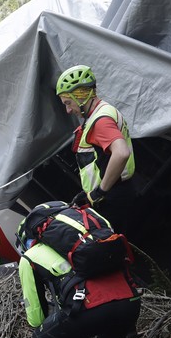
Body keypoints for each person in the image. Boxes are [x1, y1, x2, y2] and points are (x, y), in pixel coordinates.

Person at [16, 201, 140, 338]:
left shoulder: (30, 257)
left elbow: (36, 317)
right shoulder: (87, 238)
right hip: (130, 303)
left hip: (90, 310)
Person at [55, 64, 137, 232]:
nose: (68, 110)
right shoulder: (102, 111)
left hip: (113, 197)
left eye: (69, 102)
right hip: (117, 193)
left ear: (81, 95)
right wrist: (88, 194)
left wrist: (100, 191)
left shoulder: (100, 121)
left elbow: (121, 153)